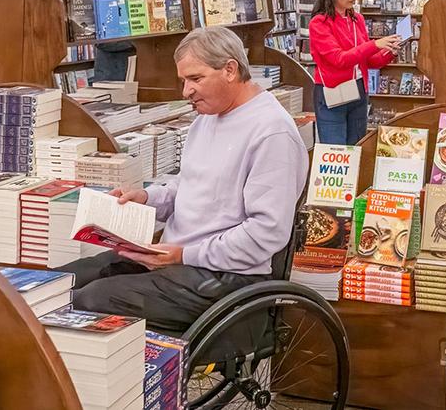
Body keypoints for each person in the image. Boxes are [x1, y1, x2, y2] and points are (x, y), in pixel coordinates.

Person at [62, 27, 309, 333]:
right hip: (178, 260)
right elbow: (191, 183)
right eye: (183, 81)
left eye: (196, 79)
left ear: (230, 70)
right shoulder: (207, 117)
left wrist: (184, 255)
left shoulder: (272, 133)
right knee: (63, 281)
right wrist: (149, 198)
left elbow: (266, 233)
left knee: (89, 300)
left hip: (225, 277)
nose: (185, 92)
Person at [307, 0, 401, 144]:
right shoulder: (319, 23)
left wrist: (389, 51)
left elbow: (369, 61)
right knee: (336, 151)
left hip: (358, 89)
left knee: (357, 146)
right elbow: (339, 59)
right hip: (332, 92)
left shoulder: (356, 19)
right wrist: (374, 44)